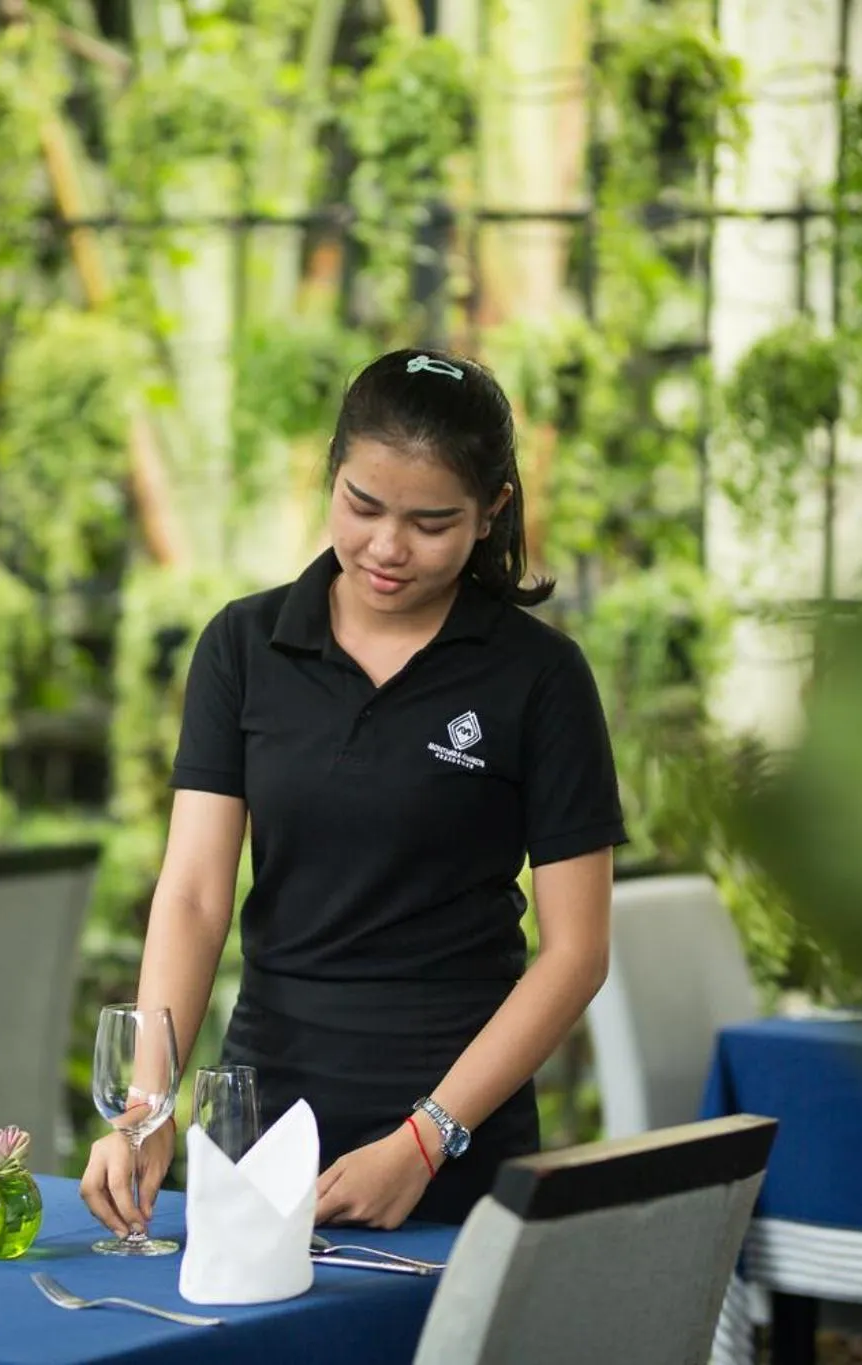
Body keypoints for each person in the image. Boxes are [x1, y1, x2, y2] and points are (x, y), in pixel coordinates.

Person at [80, 347, 624, 1233]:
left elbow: (577, 952)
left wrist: (425, 1138)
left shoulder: (539, 676)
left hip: (459, 1134)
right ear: (331, 473)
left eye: (432, 522)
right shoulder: (245, 647)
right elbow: (191, 894)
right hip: (264, 1123)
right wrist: (148, 1104)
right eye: (361, 505)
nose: (387, 546)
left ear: (493, 513)